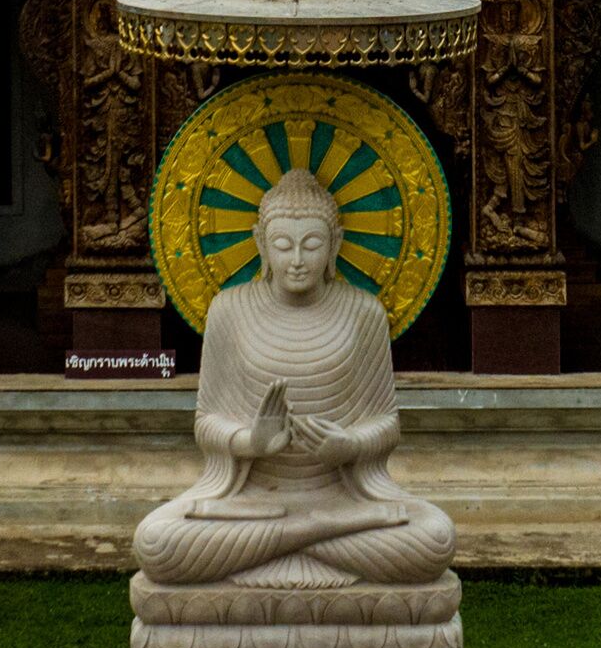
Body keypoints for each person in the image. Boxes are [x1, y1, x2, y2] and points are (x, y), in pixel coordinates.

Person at [133, 168, 451, 585]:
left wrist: (351, 444)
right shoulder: (228, 311)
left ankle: (290, 538)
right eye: (283, 245)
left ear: (335, 244)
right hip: (252, 502)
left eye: (312, 244)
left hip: (341, 498)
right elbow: (206, 422)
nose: (297, 260)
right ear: (261, 243)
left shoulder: (364, 314)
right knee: (157, 542)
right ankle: (314, 534)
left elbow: (387, 424)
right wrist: (251, 441)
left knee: (434, 540)